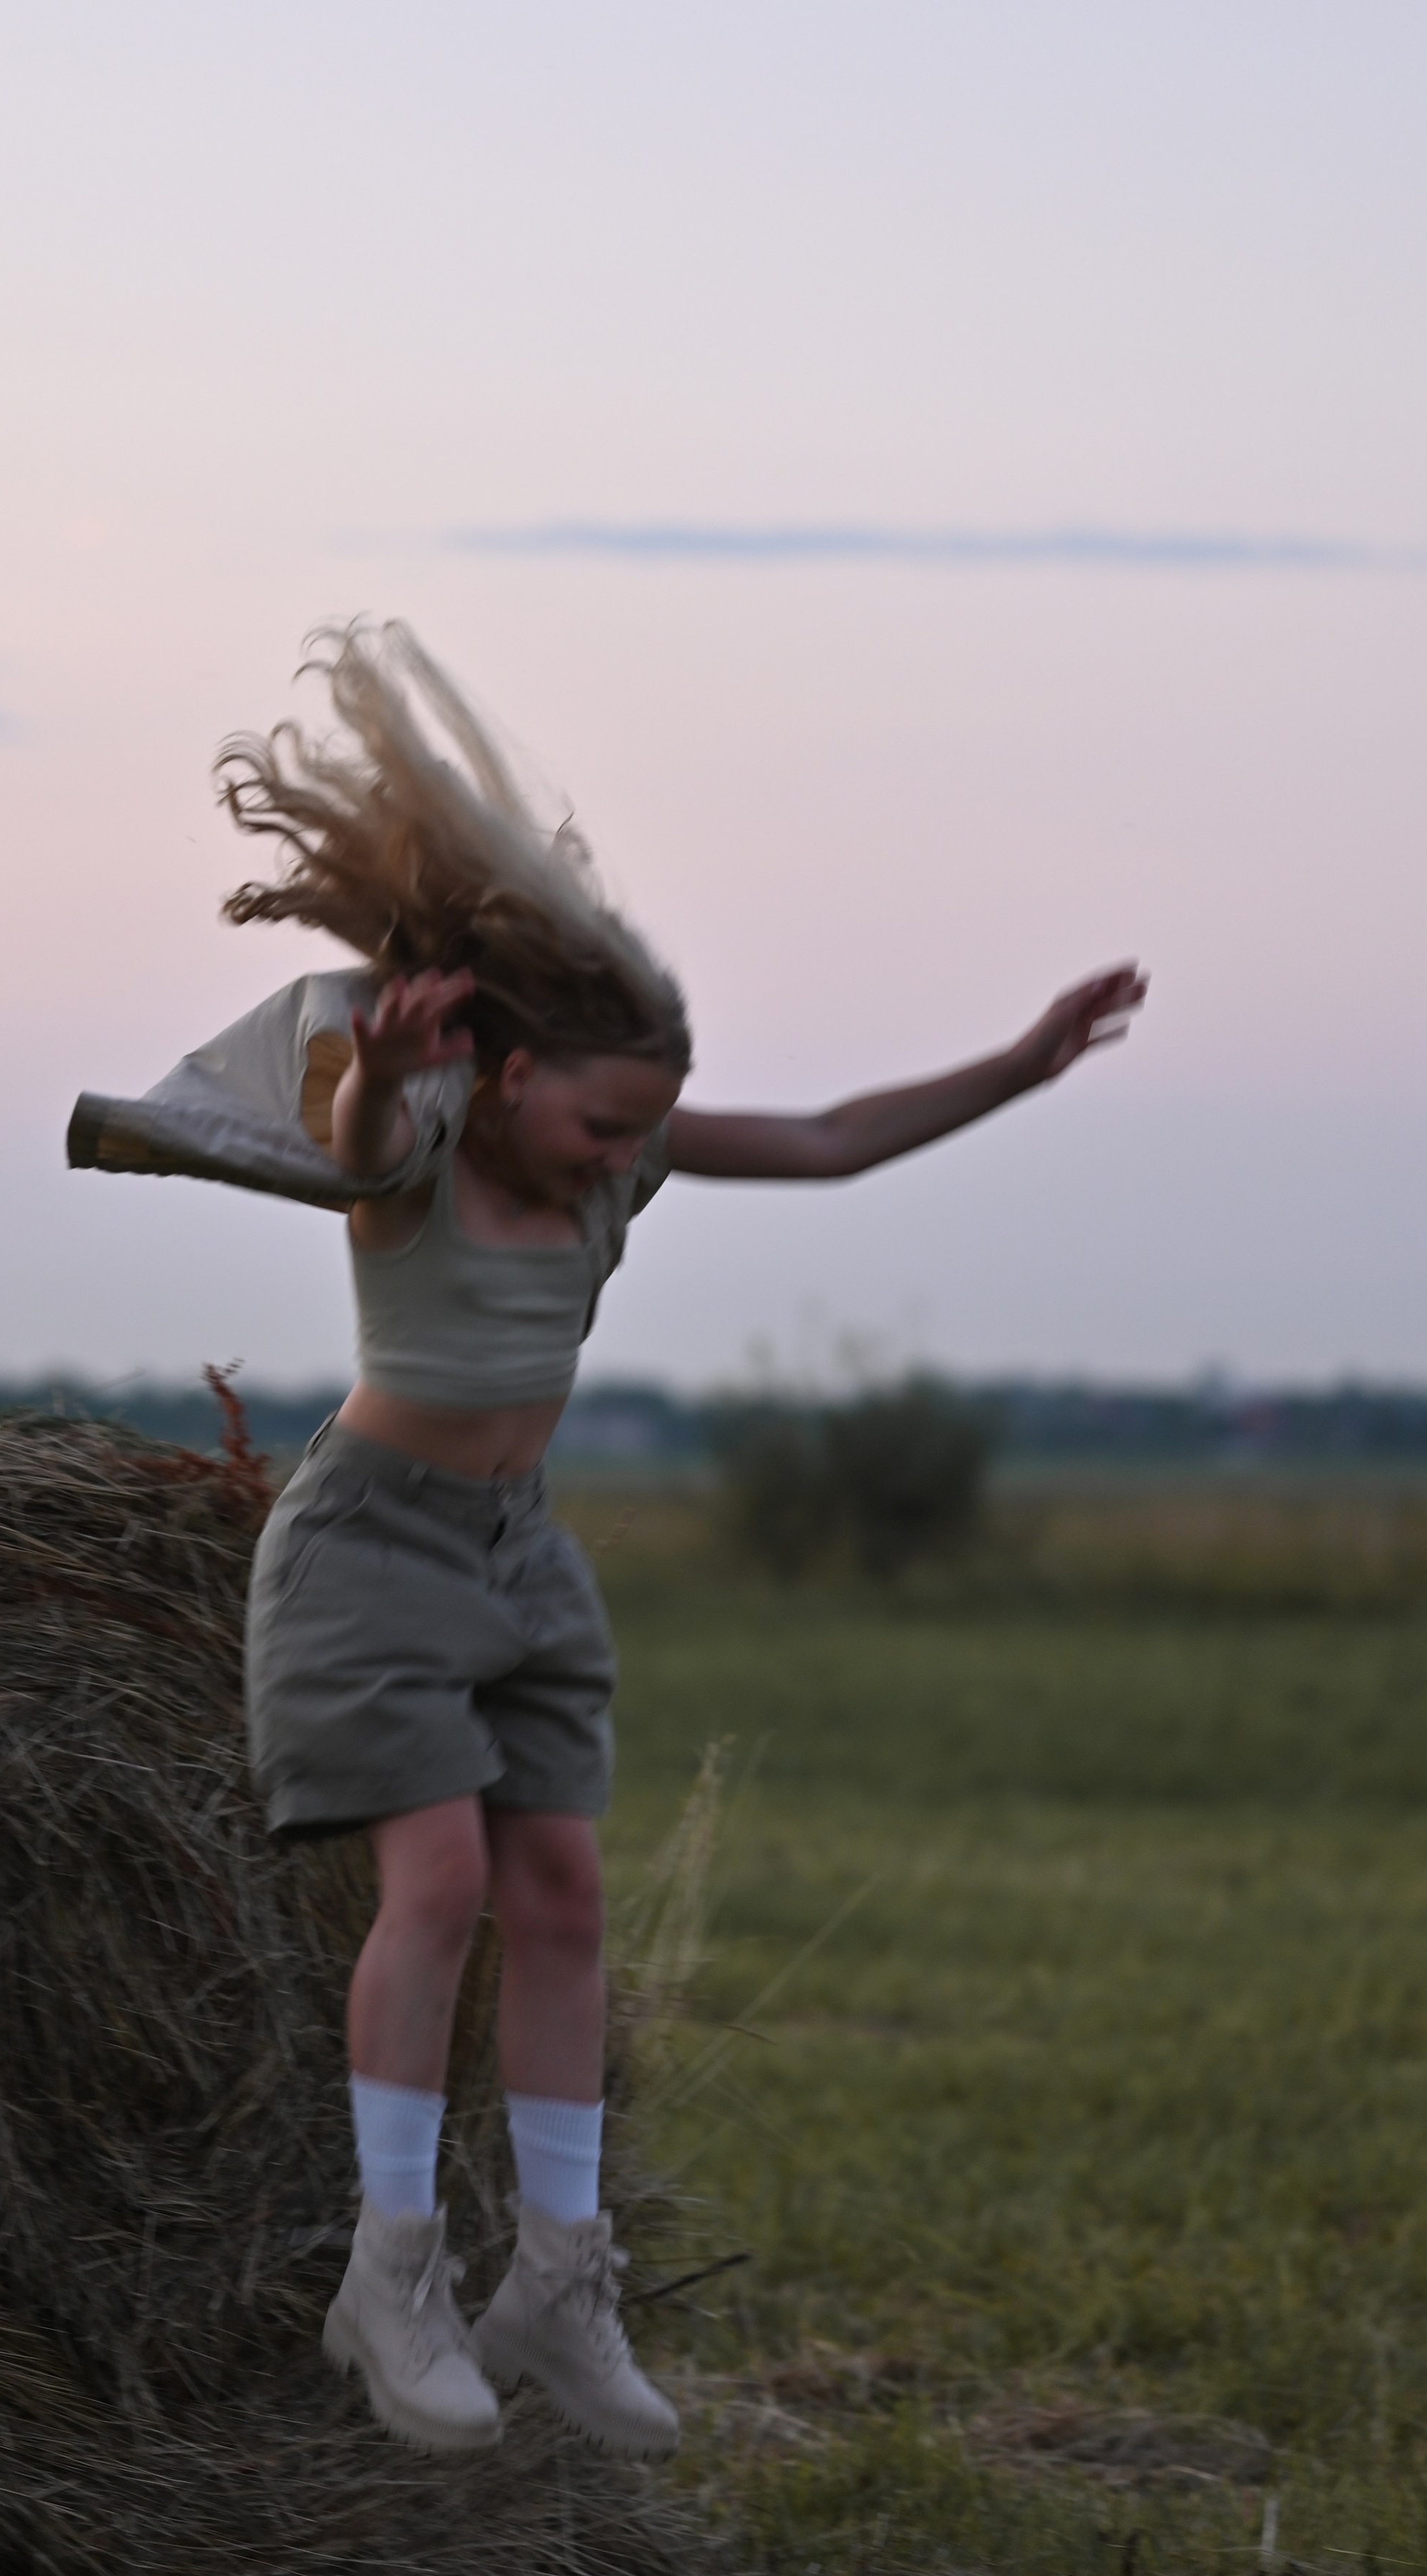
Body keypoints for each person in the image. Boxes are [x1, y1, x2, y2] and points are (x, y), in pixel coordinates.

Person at [68, 622, 1146, 2461]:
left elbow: (817, 1135)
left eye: (646, 1119)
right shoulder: (411, 1140)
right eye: (601, 1114)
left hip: (516, 1552)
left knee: (559, 1892)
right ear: (500, 1072)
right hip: (371, 1550)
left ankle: (557, 2278)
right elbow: (352, 1128)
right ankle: (387, 2269)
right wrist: (380, 1070)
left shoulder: (612, 1145)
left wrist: (1018, 1067)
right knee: (441, 1890)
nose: (626, 1152)